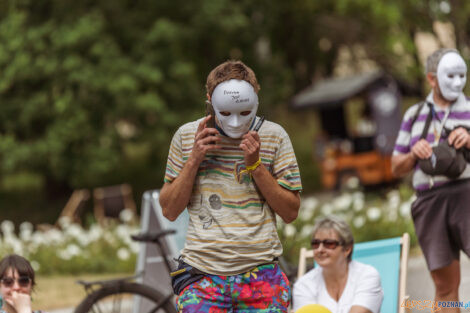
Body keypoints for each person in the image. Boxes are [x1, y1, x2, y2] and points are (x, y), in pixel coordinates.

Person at [159, 60, 302, 312]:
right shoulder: (186, 136)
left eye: (245, 112)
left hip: (261, 275)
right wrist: (194, 159)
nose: (235, 123)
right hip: (203, 276)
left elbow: (291, 211)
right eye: (224, 113)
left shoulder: (275, 136)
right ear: (209, 100)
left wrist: (255, 166)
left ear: (256, 99)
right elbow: (169, 210)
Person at [391, 48, 470, 312]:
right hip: (430, 202)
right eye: (451, 76)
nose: (458, 83)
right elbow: (395, 166)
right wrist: (414, 153)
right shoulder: (414, 115)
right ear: (431, 79)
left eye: (462, 76)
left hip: (466, 196)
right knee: (446, 287)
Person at [292, 216, 383, 313]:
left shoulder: (367, 275)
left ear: (347, 249)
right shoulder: (303, 285)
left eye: (329, 244)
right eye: (315, 243)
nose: (320, 249)